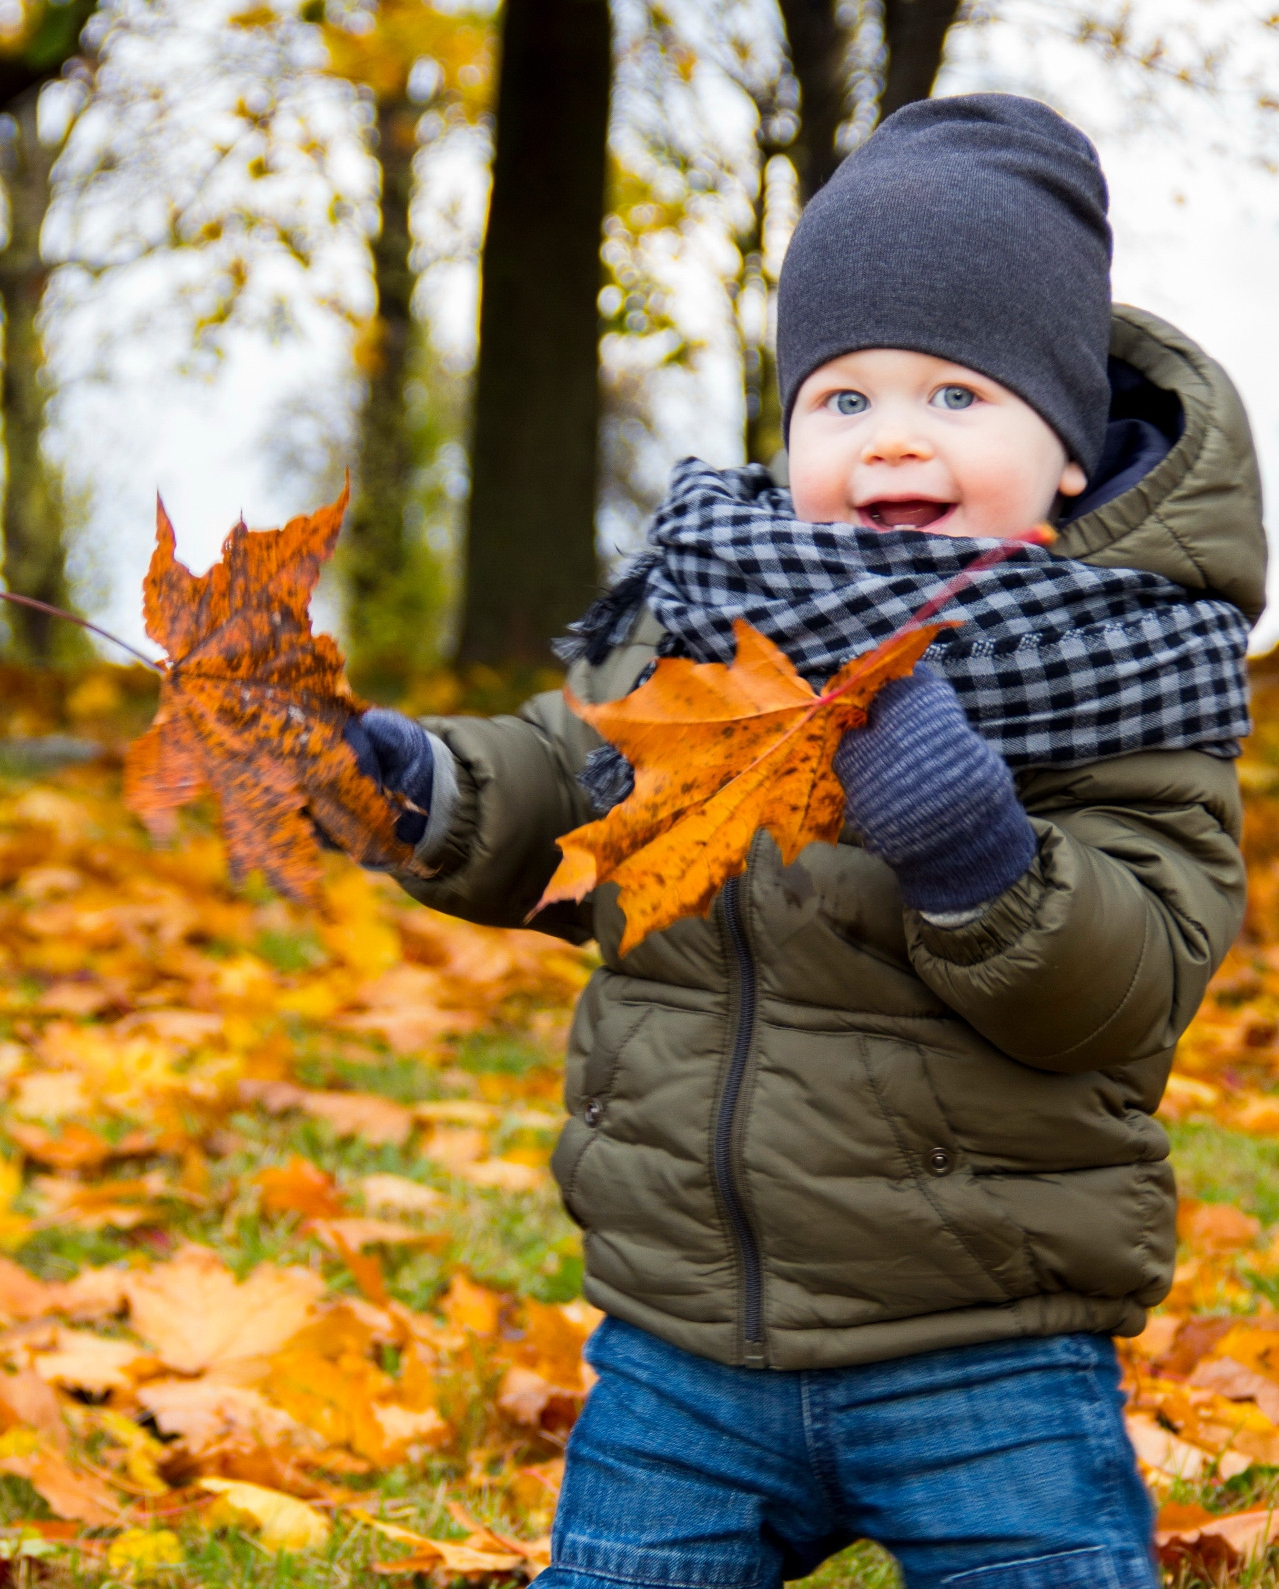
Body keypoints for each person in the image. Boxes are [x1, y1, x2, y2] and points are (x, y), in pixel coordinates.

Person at [347, 95, 1265, 1589]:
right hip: (682, 1343)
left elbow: (1130, 981)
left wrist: (975, 849)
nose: (895, 437)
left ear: (1072, 449)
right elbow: (567, 778)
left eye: (959, 397)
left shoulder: (1130, 676)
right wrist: (416, 785)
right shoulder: (712, 625)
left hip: (989, 1348)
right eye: (843, 400)